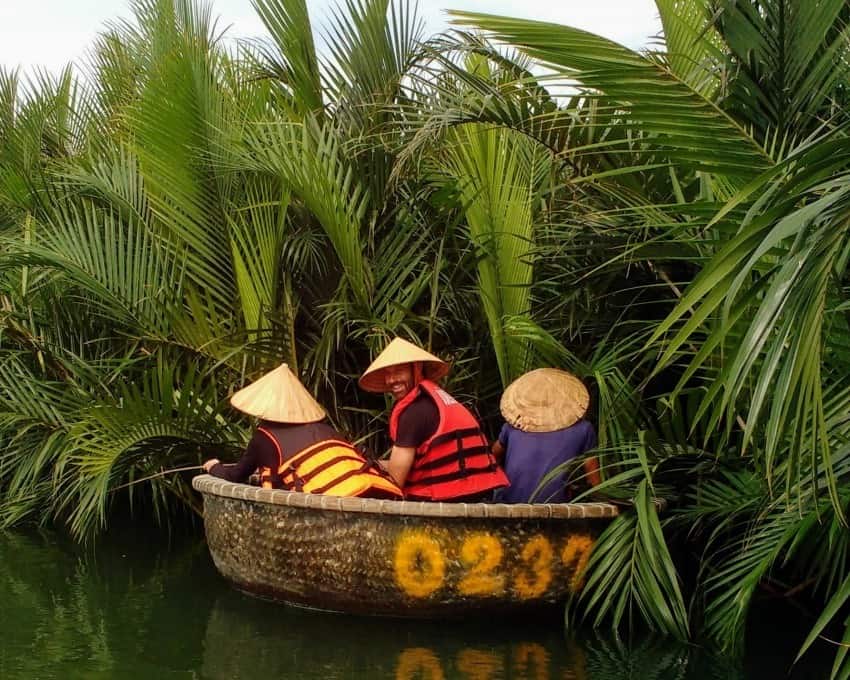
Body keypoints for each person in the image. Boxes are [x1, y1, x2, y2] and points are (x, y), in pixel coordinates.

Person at [203, 363, 402, 499]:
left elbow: (235, 475)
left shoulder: (263, 437)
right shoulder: (325, 429)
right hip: (378, 492)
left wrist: (213, 467)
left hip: (335, 503)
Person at [358, 337, 508, 501]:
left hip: (448, 498)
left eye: (399, 371)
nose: (392, 380)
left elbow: (395, 480)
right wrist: (373, 464)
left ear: (416, 369)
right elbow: (403, 465)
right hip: (481, 491)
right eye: (388, 374)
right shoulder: (439, 400)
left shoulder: (413, 413)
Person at [492, 368, 600, 503]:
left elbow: (493, 456)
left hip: (511, 502)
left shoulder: (513, 427)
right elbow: (592, 478)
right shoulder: (584, 429)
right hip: (555, 504)